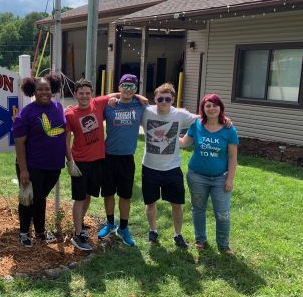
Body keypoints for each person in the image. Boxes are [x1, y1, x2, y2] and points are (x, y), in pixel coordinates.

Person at [180, 94, 238, 256]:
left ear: (220, 108)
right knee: (198, 208)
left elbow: (233, 157)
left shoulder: (229, 129)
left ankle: (223, 244)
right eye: (208, 106)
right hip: (197, 176)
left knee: (223, 213)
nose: (211, 109)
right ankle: (200, 240)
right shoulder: (197, 125)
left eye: (215, 105)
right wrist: (167, 134)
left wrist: (230, 179)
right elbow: (184, 143)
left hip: (220, 177)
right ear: (203, 109)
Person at [12, 73, 66, 248]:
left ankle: (40, 232)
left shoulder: (58, 107)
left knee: (40, 198)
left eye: (47, 89)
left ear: (53, 90)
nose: (44, 92)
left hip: (53, 166)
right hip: (32, 166)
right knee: (28, 198)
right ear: (33, 91)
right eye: (40, 89)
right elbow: (19, 143)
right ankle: (23, 233)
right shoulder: (26, 113)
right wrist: (24, 170)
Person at [141, 83, 198, 248]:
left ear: (173, 100)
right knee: (150, 203)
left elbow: (203, 119)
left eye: (167, 98)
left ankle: (178, 234)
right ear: (155, 99)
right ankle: (153, 231)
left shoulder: (181, 115)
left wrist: (225, 120)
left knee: (176, 204)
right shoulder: (146, 112)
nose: (163, 101)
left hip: (172, 168)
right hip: (150, 167)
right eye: (160, 98)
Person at [98, 74, 146, 246]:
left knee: (125, 195)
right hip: (109, 157)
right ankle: (110, 224)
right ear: (119, 87)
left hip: (127, 158)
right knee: (108, 193)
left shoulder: (140, 105)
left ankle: (123, 228)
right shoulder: (109, 106)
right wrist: (113, 96)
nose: (128, 89)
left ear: (136, 89)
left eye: (132, 87)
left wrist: (138, 96)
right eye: (124, 86)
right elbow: (92, 106)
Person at [65, 79, 113, 251]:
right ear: (75, 94)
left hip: (98, 161)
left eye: (87, 93)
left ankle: (81, 225)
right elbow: (66, 139)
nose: (84, 96)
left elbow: (118, 94)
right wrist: (70, 161)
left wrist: (141, 98)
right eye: (81, 93)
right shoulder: (70, 114)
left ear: (92, 94)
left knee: (88, 195)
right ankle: (76, 235)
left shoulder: (98, 104)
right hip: (80, 162)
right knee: (79, 198)